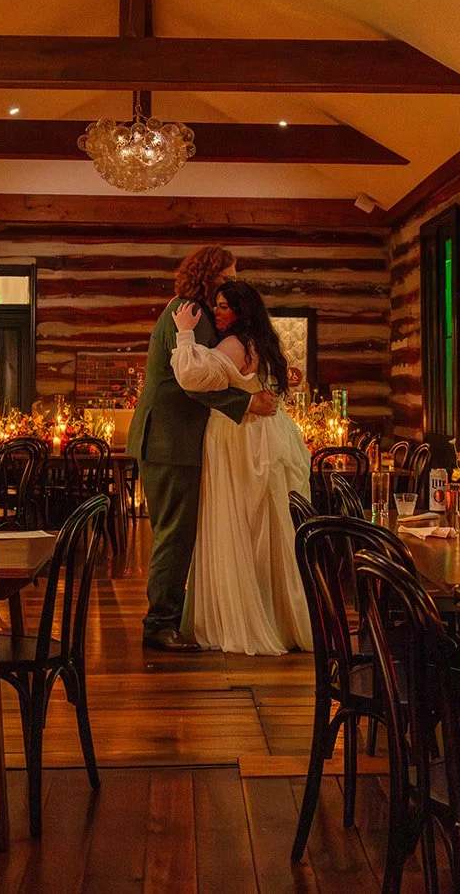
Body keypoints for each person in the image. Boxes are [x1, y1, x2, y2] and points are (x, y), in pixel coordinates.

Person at [130, 245, 277, 652]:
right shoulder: (191, 314)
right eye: (228, 273)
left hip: (173, 438)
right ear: (210, 275)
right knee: (174, 534)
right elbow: (192, 381)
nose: (233, 279)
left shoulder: (196, 312)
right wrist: (246, 402)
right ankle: (159, 624)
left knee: (177, 532)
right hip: (168, 438)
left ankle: (170, 617)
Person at [170, 280, 314, 655]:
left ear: (241, 311)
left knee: (236, 522)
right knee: (268, 524)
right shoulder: (264, 343)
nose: (216, 313)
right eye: (216, 306)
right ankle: (276, 614)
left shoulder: (233, 345)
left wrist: (185, 335)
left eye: (223, 307)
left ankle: (243, 616)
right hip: (269, 433)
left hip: (238, 437)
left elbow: (191, 376)